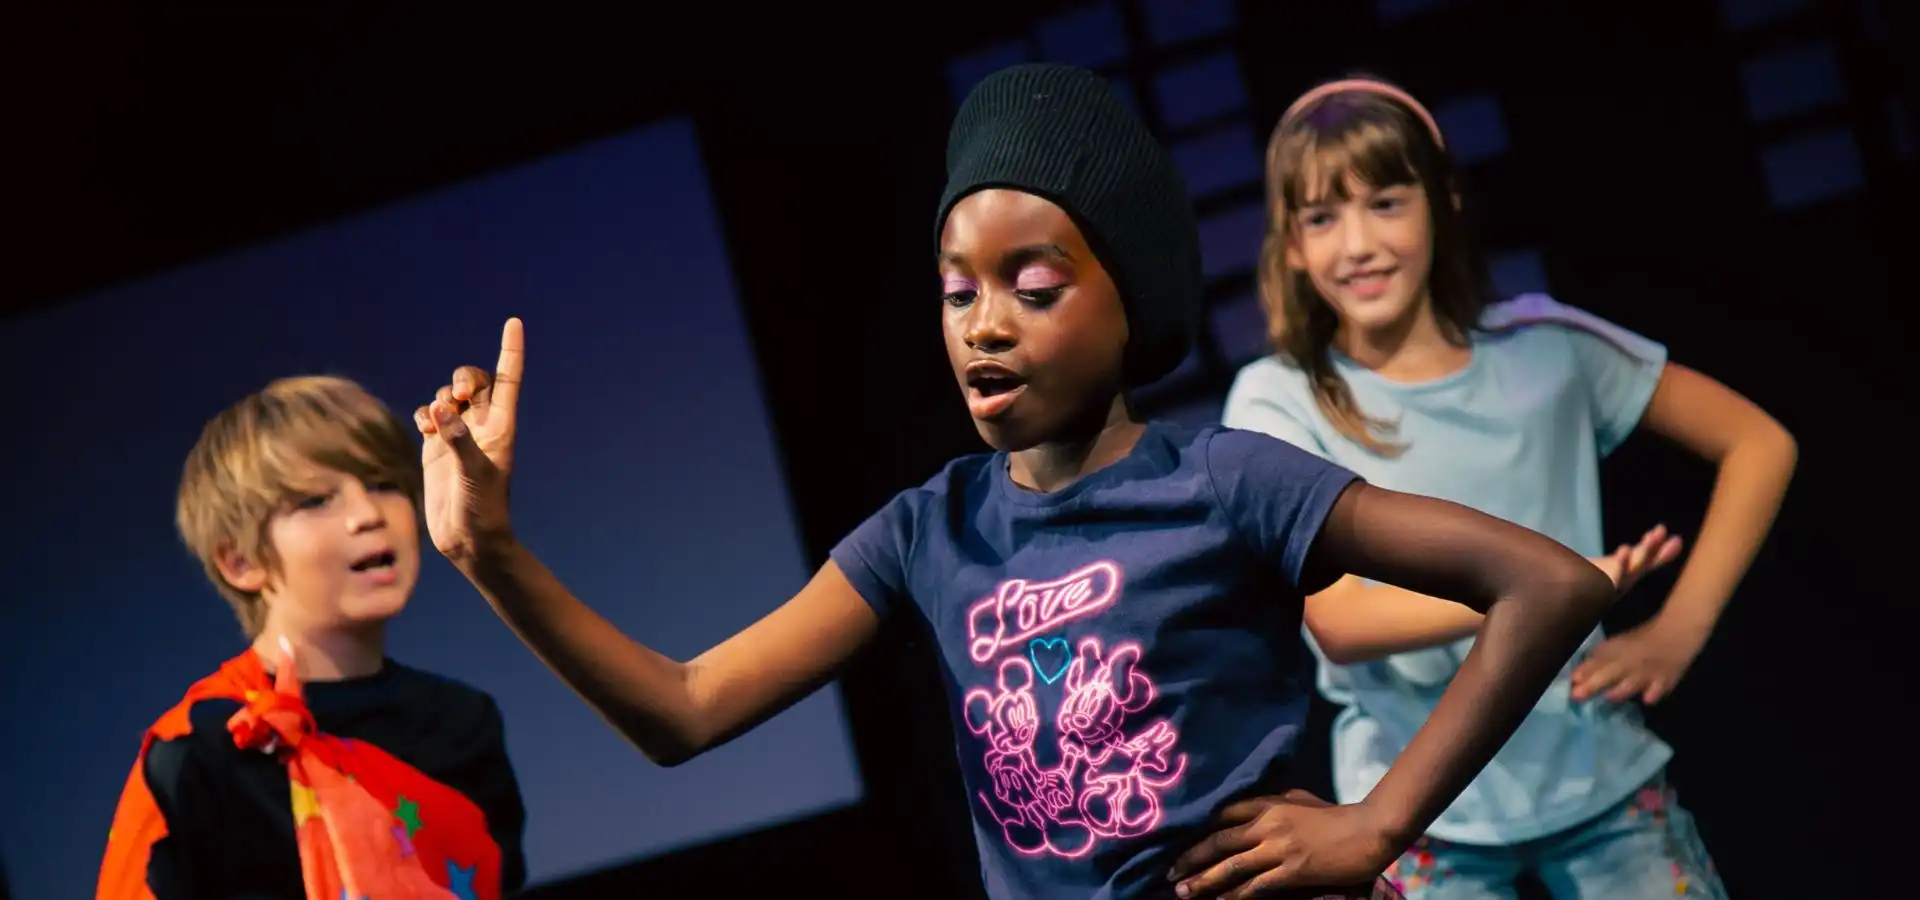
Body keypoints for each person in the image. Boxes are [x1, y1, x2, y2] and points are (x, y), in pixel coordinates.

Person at [412, 64, 1624, 899]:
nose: (985, 325)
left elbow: (1547, 584)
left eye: (1034, 288)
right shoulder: (927, 533)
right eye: (958, 291)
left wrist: (1376, 824)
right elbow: (685, 711)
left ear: (1127, 300)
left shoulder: (1223, 481)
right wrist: (491, 557)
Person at [1221, 76, 1798, 899]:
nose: (1356, 244)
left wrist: (1680, 627)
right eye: (1322, 217)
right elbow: (1342, 620)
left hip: (1593, 772)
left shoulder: (1547, 347)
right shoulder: (1281, 399)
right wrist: (1552, 593)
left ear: (1443, 201)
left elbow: (1757, 442)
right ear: (1290, 245)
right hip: (1409, 806)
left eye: (1384, 202)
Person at [97, 376, 528, 900]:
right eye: (316, 501)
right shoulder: (198, 751)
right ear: (240, 561)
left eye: (382, 484)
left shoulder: (463, 722)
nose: (369, 516)